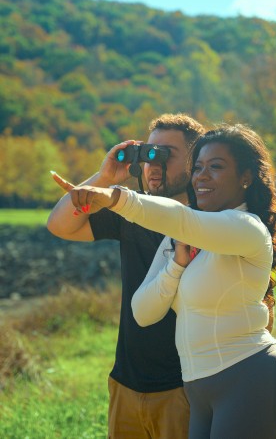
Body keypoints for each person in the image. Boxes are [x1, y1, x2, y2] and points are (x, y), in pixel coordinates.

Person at [62, 123, 276, 439]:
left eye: (216, 167)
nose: (202, 175)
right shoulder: (180, 241)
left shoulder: (247, 228)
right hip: (198, 391)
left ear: (246, 177)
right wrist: (176, 265)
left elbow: (182, 217)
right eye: (198, 167)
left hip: (250, 377)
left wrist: (115, 197)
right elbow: (143, 312)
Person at [47, 113, 205, 439]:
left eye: (167, 154)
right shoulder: (131, 213)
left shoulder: (207, 223)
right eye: (149, 153)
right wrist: (104, 176)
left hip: (185, 387)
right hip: (126, 381)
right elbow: (60, 224)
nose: (154, 163)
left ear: (194, 162)